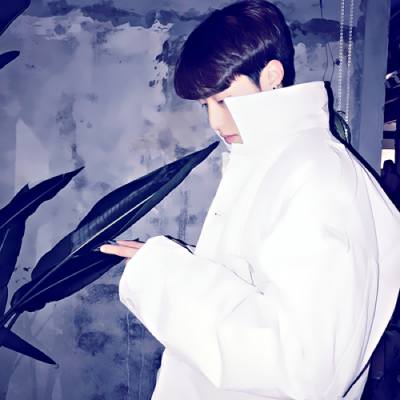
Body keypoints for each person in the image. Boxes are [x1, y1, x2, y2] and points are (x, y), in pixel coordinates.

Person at [101, 1, 400, 399]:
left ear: (272, 76)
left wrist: (164, 276)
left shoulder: (317, 171)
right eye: (206, 105)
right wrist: (175, 263)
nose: (214, 121)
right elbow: (253, 283)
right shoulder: (272, 160)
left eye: (223, 99)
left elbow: (305, 365)